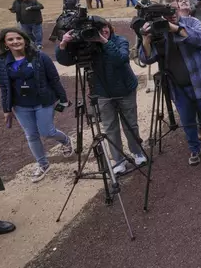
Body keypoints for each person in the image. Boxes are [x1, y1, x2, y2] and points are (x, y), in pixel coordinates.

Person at [138, 1, 201, 169]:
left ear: (178, 9)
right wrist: (146, 40)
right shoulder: (158, 31)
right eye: (167, 12)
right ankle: (194, 149)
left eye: (173, 10)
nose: (171, 14)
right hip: (177, 87)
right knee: (188, 121)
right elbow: (146, 58)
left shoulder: (192, 22)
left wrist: (175, 28)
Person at [56, 20, 146, 174]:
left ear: (109, 27)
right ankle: (119, 160)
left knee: (130, 124)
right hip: (102, 92)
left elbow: (120, 59)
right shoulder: (87, 46)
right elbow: (66, 61)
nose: (103, 30)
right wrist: (64, 44)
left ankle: (137, 152)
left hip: (125, 89)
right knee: (110, 128)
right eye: (99, 29)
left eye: (105, 27)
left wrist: (103, 41)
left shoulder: (120, 40)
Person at [0, 28, 73, 183]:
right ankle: (43, 164)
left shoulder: (40, 57)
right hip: (20, 106)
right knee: (31, 135)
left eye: (18, 38)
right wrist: (6, 109)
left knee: (47, 131)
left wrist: (63, 99)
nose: (15, 42)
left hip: (43, 102)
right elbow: (4, 87)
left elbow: (54, 79)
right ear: (5, 43)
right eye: (10, 40)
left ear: (25, 39)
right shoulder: (1, 61)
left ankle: (65, 140)